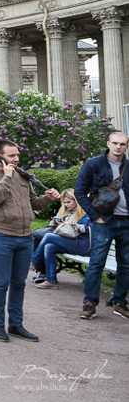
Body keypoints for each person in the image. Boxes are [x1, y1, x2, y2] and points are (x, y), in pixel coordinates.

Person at [0, 139, 60, 342]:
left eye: (17, 155)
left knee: (18, 283)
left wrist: (48, 198)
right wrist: (7, 177)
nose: (16, 159)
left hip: (25, 237)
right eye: (12, 155)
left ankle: (16, 324)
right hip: (1, 236)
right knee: (1, 282)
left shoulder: (23, 176)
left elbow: (34, 204)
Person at [73, 131, 129, 320]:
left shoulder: (128, 166)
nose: (118, 147)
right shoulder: (93, 164)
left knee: (126, 265)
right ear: (108, 143)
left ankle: (120, 301)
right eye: (115, 143)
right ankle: (89, 303)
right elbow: (79, 192)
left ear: (127, 146)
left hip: (126, 222)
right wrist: (95, 216)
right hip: (104, 222)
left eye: (122, 144)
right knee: (96, 263)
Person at [30, 189, 91, 289]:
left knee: (49, 236)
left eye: (68, 202)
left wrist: (73, 225)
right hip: (74, 241)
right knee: (50, 247)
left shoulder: (85, 212)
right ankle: (51, 280)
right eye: (64, 202)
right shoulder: (65, 210)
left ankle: (34, 261)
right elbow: (58, 227)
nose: (66, 205)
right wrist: (57, 223)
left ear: (76, 200)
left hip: (85, 244)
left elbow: (85, 229)